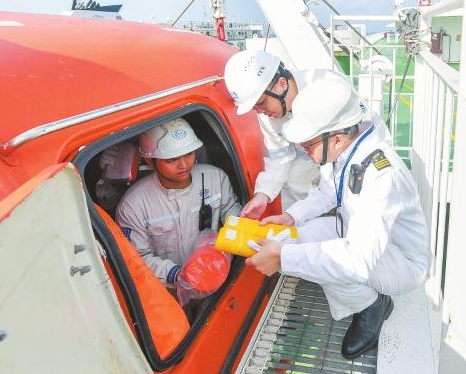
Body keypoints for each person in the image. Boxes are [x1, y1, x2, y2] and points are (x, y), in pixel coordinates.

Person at [244, 78, 430, 360]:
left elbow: (357, 260)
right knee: (296, 241)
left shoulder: (380, 175)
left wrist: (283, 257)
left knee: (320, 260)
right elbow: (327, 193)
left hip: (401, 261)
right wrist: (291, 217)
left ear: (337, 138)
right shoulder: (345, 151)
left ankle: (372, 306)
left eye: (308, 143)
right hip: (357, 234)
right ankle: (365, 299)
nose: (303, 148)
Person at [224, 49, 384, 218]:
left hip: (349, 166)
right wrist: (263, 194)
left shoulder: (330, 85)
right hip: (309, 184)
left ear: (282, 84)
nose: (260, 112)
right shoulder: (267, 115)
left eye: (261, 103)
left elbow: (364, 135)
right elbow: (280, 158)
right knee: (297, 191)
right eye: (254, 107)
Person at [116, 118, 241, 301]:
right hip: (168, 291)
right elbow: (137, 257)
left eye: (188, 154)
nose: (184, 165)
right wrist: (177, 275)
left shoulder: (215, 177)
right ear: (150, 161)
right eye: (172, 159)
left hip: (216, 275)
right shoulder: (133, 205)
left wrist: (237, 226)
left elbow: (230, 209)